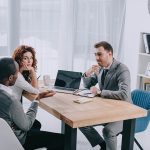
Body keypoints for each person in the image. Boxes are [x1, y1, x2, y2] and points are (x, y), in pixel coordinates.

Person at [0, 57, 64, 150]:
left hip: (2, 137)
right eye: (17, 73)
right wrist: (37, 99)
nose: (18, 75)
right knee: (62, 140)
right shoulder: (11, 101)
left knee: (36, 124)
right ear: (10, 78)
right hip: (17, 140)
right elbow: (26, 126)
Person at [79, 41, 132, 150]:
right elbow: (88, 85)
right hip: (106, 110)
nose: (97, 58)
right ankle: (103, 146)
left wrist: (100, 92)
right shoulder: (101, 67)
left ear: (110, 54)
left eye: (99, 54)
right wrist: (87, 73)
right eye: (95, 55)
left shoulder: (122, 69)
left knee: (108, 131)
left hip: (124, 113)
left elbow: (124, 94)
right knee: (81, 121)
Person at [11, 45, 42, 130]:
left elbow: (25, 86)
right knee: (36, 125)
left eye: (31, 58)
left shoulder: (15, 72)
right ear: (19, 60)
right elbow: (36, 91)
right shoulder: (17, 76)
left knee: (36, 124)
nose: (29, 61)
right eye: (25, 58)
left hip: (10, 113)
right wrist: (32, 71)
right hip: (12, 117)